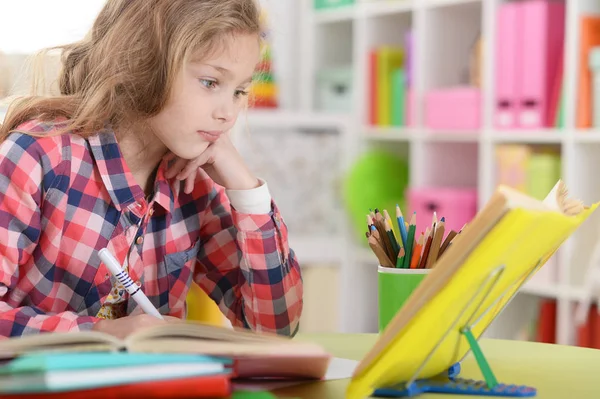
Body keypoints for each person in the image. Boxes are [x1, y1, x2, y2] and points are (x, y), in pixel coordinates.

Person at [0, 0, 302, 340]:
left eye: (239, 91)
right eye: (210, 82)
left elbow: (274, 328)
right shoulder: (40, 156)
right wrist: (101, 332)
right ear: (143, 63)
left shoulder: (196, 183)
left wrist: (249, 193)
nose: (228, 113)